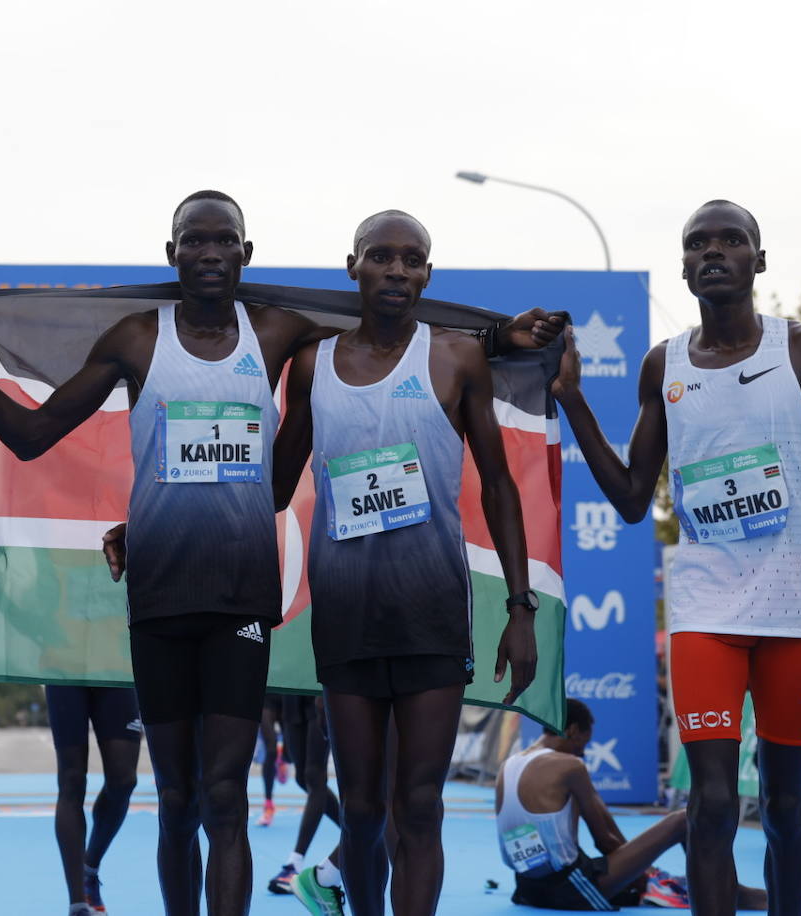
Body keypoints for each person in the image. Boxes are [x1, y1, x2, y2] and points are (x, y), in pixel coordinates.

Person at [0, 190, 332, 915]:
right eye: (193, 242)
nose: (208, 254)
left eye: (223, 240)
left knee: (225, 795)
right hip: (161, 599)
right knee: (175, 797)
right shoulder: (137, 338)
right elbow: (32, 435)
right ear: (170, 254)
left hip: (240, 598)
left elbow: (386, 325)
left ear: (246, 253)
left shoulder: (279, 332)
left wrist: (495, 343)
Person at [552, 200, 801, 915]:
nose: (714, 252)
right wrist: (574, 403)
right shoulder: (662, 366)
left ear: (758, 261)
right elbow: (635, 498)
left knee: (790, 807)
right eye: (698, 242)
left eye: (732, 241)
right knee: (713, 801)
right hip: (706, 612)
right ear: (683, 265)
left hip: (793, 613)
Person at [271, 210, 549, 916]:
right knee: (361, 810)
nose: (398, 270)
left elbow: (498, 486)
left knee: (418, 807)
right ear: (353, 266)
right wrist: (152, 517)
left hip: (431, 615)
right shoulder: (312, 364)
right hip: (346, 618)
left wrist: (521, 609)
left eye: (413, 259)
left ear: (428, 273)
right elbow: (271, 485)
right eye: (382, 256)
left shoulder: (457, 357)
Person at [497, 699, 765, 911]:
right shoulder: (570, 765)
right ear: (572, 730)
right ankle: (733, 893)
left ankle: (706, 888)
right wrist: (642, 876)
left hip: (526, 889)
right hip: (568, 890)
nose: (583, 752)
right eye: (583, 744)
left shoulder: (509, 765)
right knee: (685, 819)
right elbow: (606, 840)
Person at [46, 685, 143, 915]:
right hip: (64, 667)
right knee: (71, 780)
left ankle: (89, 868)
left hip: (114, 666)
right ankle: (78, 904)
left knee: (124, 781)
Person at [265, 695, 343, 898]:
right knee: (302, 777)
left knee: (313, 775)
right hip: (291, 692)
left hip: (319, 688)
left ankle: (294, 862)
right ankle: (357, 833)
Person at [257, 693, 288, 826]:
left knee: (291, 752)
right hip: (266, 695)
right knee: (270, 750)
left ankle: (284, 757)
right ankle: (268, 804)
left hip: (288, 695)